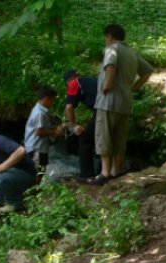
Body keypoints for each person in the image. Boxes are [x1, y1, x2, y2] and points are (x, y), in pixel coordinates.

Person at [88, 24, 153, 185]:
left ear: (109, 35)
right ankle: (115, 171)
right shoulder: (131, 53)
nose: (105, 40)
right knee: (119, 138)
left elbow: (111, 67)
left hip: (108, 101)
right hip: (125, 103)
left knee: (104, 136)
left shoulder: (111, 49)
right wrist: (133, 88)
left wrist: (107, 84)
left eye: (105, 37)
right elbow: (148, 71)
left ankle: (104, 174)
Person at [63, 69, 99, 180]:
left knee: (85, 139)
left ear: (69, 81)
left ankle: (86, 175)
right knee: (104, 139)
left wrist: (74, 126)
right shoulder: (91, 81)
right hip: (118, 108)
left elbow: (68, 107)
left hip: (103, 110)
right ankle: (105, 173)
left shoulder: (75, 83)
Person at [24, 86, 63, 182]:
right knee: (37, 172)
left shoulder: (40, 110)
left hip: (39, 147)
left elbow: (42, 128)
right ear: (46, 99)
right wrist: (55, 132)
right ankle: (34, 193)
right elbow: (39, 132)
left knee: (40, 171)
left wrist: (56, 127)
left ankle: (36, 191)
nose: (53, 103)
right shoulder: (39, 113)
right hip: (37, 149)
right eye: (52, 100)